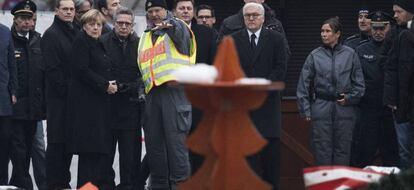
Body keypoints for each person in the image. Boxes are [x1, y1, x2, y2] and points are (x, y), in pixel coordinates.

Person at [138, 0, 196, 189]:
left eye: (158, 10)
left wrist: (173, 25)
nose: (155, 14)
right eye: (151, 11)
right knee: (155, 152)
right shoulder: (145, 36)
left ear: (166, 11)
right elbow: (142, 69)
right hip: (152, 96)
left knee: (177, 151)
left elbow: (181, 37)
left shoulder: (178, 26)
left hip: (175, 93)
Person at [231, 3, 287, 189]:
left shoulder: (276, 39)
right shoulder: (233, 40)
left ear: (263, 17)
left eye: (255, 15)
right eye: (248, 15)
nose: (252, 18)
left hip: (268, 107)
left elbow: (281, 67)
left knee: (271, 164)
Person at [297, 17, 365, 166]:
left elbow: (359, 84)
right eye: (322, 31)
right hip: (321, 106)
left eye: (327, 31)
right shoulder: (315, 55)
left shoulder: (350, 54)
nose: (323, 34)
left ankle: (340, 188)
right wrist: (306, 110)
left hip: (344, 108)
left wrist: (350, 98)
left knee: (343, 149)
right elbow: (303, 84)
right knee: (322, 149)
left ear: (337, 33)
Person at [66, 9, 116, 189]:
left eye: (99, 24)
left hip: (97, 107)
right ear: (84, 26)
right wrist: (104, 85)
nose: (96, 28)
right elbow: (82, 70)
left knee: (96, 156)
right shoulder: (82, 42)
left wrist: (108, 83)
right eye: (91, 24)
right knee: (90, 156)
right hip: (87, 110)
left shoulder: (96, 43)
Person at [172, 0, 217, 175]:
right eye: (181, 8)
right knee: (176, 145)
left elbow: (214, 64)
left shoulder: (207, 33)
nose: (185, 11)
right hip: (174, 95)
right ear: (174, 12)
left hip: (200, 98)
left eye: (189, 8)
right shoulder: (165, 32)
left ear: (193, 12)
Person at [100, 7, 143, 190]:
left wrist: (126, 88)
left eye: (127, 23)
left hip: (131, 111)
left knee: (130, 160)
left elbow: (144, 76)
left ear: (133, 25)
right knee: (105, 158)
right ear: (113, 23)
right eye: (120, 23)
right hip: (106, 110)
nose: (123, 26)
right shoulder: (101, 42)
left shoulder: (141, 45)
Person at [354, 11, 399, 168]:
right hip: (368, 110)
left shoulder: (397, 47)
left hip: (391, 110)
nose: (378, 32)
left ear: (389, 28)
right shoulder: (361, 49)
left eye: (382, 28)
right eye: (375, 28)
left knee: (392, 155)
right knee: (364, 153)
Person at [8, 1, 45, 189]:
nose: (26, 22)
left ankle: (18, 184)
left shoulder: (38, 40)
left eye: (29, 18)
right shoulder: (8, 40)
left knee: (29, 152)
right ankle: (24, 185)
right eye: (22, 18)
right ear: (15, 20)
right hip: (15, 110)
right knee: (18, 153)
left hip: (34, 110)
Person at [40, 0, 77, 188]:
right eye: (65, 9)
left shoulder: (73, 31)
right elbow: (53, 72)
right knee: (57, 147)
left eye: (71, 9)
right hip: (58, 102)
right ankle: (54, 184)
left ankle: (63, 183)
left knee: (67, 147)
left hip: (71, 103)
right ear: (57, 11)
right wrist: (71, 92)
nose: (69, 12)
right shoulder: (51, 35)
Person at [382, 0, 414, 170]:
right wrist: (391, 99)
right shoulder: (395, 35)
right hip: (401, 103)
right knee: (404, 150)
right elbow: (390, 68)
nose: (395, 16)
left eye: (399, 11)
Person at [0, 12, 17, 188]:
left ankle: (2, 183)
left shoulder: (5, 33)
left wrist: (13, 90)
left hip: (3, 102)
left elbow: (12, 64)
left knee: (3, 147)